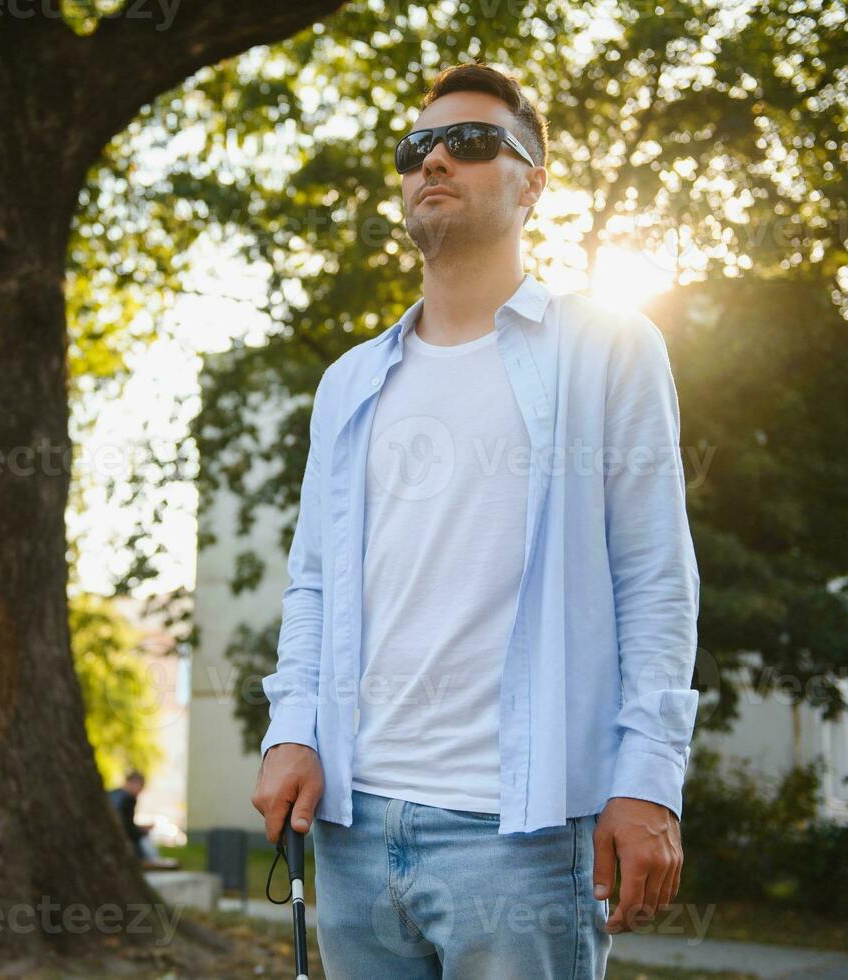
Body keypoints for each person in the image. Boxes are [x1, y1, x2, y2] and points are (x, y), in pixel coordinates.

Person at [251, 62, 700, 980]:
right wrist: (290, 727)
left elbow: (654, 575)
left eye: (471, 142)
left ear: (532, 182)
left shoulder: (605, 346)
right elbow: (315, 580)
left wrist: (647, 782)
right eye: (417, 148)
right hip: (351, 823)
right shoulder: (348, 383)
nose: (436, 160)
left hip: (524, 838)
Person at [107, 770, 158, 861]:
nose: (141, 790)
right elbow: (128, 828)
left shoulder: (113, 794)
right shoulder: (128, 799)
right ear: (132, 783)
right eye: (140, 786)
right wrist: (143, 832)